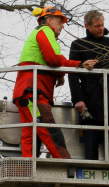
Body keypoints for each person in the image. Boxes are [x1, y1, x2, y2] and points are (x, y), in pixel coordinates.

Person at [12, 5, 97, 158]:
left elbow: (50, 60)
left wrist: (59, 74)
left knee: (29, 134)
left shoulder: (40, 34)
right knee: (49, 129)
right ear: (49, 21)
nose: (63, 25)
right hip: (33, 93)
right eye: (60, 21)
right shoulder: (45, 31)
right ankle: (66, 166)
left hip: (26, 92)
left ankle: (27, 168)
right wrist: (78, 64)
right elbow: (53, 59)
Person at [68, 10, 109, 161]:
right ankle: (90, 180)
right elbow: (73, 74)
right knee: (90, 150)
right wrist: (78, 100)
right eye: (97, 26)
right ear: (87, 26)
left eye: (102, 25)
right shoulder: (78, 44)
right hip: (90, 102)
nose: (101, 28)